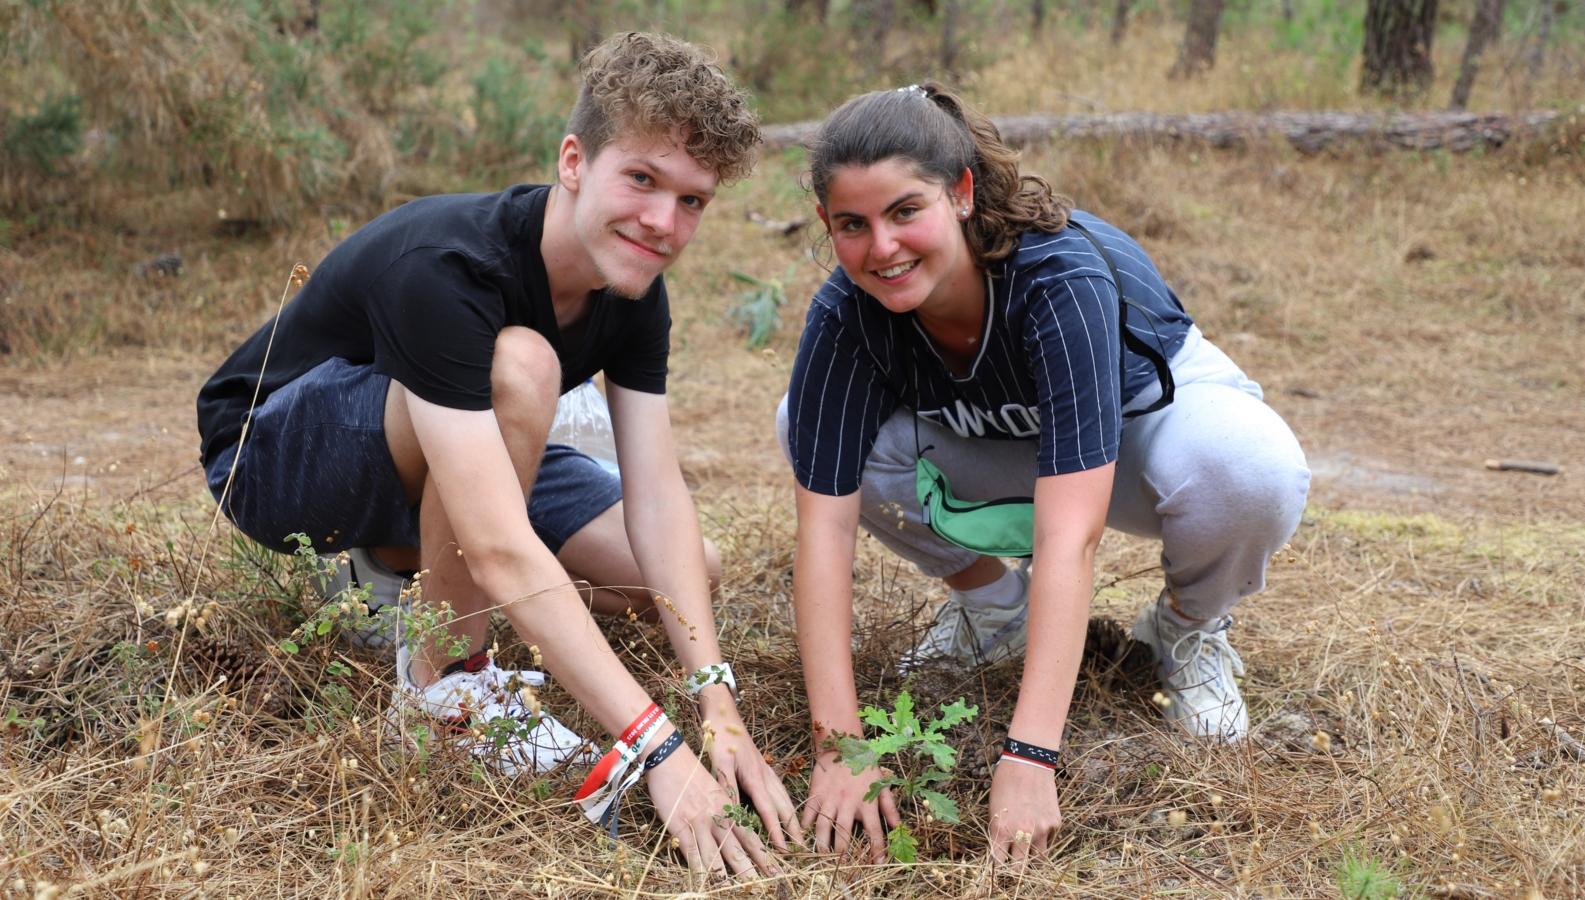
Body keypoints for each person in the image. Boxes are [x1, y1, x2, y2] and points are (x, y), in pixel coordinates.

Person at [197, 32, 799, 878]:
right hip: (273, 452)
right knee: (523, 367)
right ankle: (445, 685)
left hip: (449, 432)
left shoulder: (633, 291)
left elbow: (657, 494)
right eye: (642, 179)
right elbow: (498, 544)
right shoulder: (450, 263)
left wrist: (718, 706)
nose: (664, 223)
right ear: (574, 161)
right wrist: (657, 748)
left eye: (692, 201)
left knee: (674, 565)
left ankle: (397, 562)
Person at [777, 83, 1310, 866]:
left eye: (904, 211)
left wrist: (1030, 758)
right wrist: (840, 748)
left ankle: (1188, 630)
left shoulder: (1057, 278)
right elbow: (822, 529)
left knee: (1249, 470)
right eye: (853, 225)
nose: (881, 247)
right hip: (999, 433)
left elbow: (1072, 537)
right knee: (806, 425)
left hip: (1141, 427)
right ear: (826, 224)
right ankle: (996, 610)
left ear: (960, 193)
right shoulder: (845, 316)